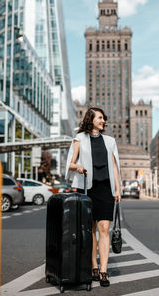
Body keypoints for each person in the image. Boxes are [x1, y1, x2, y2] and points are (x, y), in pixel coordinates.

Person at [65, 107, 122, 287]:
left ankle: (104, 271)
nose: (103, 120)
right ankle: (94, 266)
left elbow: (114, 166)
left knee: (104, 228)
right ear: (91, 119)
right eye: (100, 117)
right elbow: (70, 163)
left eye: (104, 118)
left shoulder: (110, 141)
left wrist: (118, 189)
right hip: (86, 188)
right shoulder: (79, 138)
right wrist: (78, 167)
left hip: (106, 189)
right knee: (90, 230)